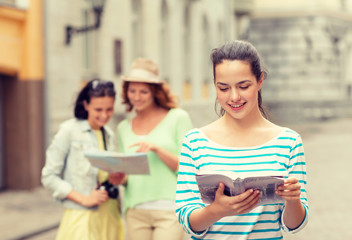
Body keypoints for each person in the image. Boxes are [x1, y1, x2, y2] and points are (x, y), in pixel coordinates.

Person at [175, 40, 308, 239]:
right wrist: (216, 211)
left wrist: (293, 200)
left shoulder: (288, 142)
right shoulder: (195, 142)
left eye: (243, 86)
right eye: (223, 88)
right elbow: (186, 218)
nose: (234, 97)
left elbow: (293, 225)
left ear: (260, 81)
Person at [110, 58, 193, 240]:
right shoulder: (123, 128)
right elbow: (129, 175)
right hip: (135, 210)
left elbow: (188, 167)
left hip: (170, 209)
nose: (137, 97)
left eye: (143, 91)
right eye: (132, 90)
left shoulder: (178, 118)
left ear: (155, 91)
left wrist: (156, 149)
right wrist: (120, 178)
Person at [41, 79, 124, 240]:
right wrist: (85, 199)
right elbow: (49, 177)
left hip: (110, 215)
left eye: (109, 109)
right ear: (86, 105)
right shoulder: (69, 131)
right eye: (98, 109)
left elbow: (103, 175)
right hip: (81, 218)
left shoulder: (109, 133)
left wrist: (114, 178)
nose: (104, 115)